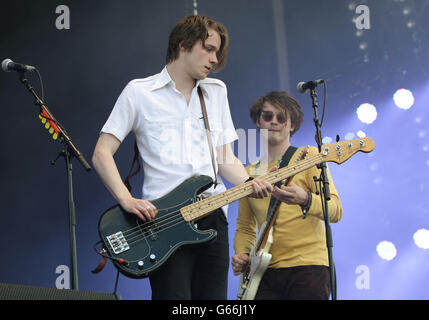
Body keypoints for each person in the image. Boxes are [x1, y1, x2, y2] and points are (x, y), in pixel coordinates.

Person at [92, 15, 272, 300]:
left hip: (213, 216)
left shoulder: (216, 92)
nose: (214, 59)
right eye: (209, 49)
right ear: (183, 45)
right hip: (163, 221)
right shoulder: (140, 92)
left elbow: (225, 159)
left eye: (218, 52)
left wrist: (252, 182)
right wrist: (127, 200)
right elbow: (102, 153)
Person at [232, 91, 343, 300]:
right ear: (258, 121)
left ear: (292, 125)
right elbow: (245, 226)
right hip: (263, 272)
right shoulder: (248, 174)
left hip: (309, 266)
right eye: (267, 116)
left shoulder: (308, 157)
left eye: (281, 117)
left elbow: (336, 210)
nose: (274, 121)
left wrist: (306, 199)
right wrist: (243, 254)